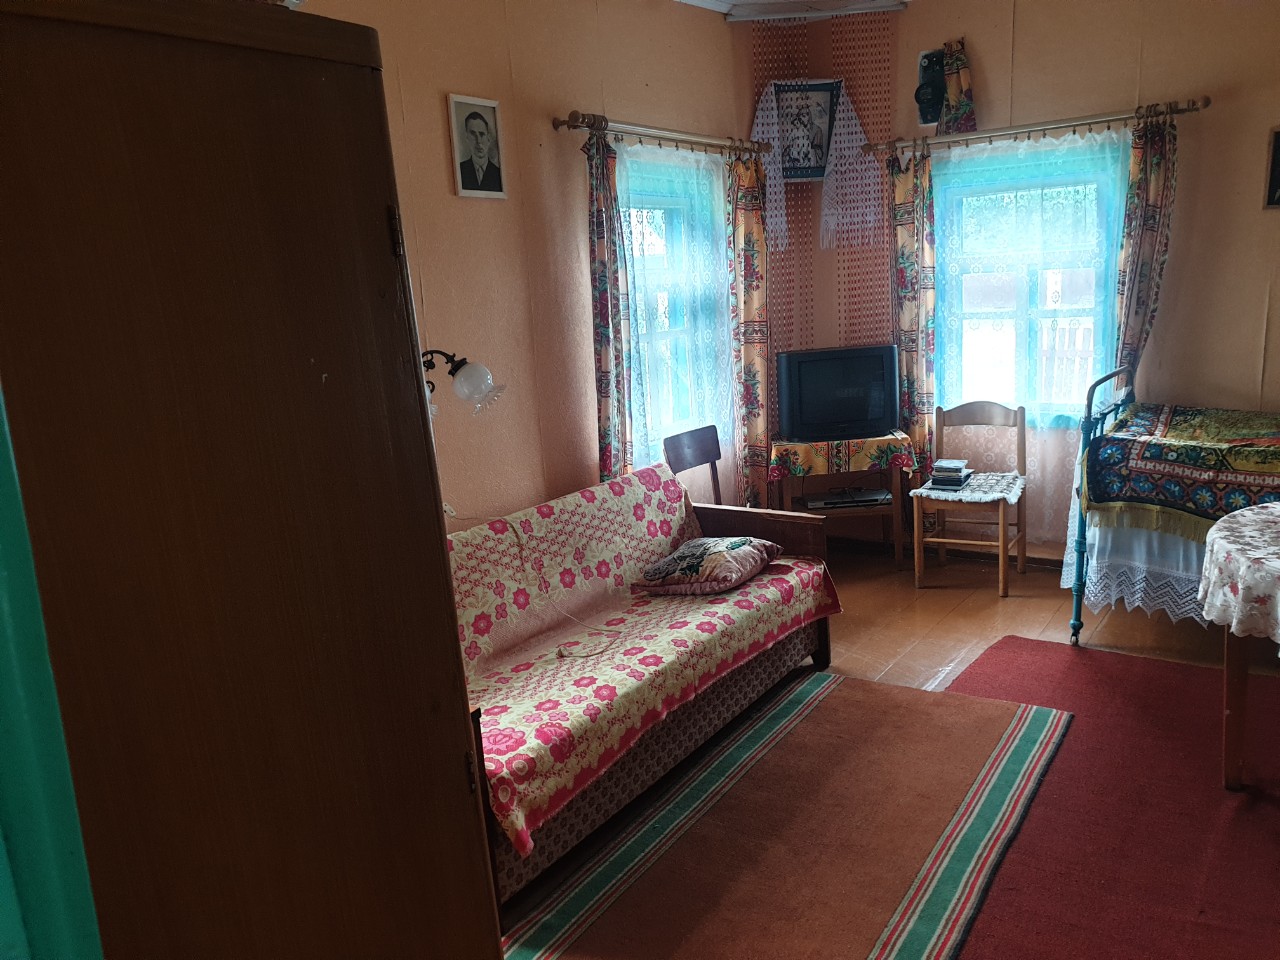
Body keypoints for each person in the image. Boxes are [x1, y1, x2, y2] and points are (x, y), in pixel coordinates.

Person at [458, 111, 502, 192]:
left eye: (482, 134)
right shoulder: (460, 170)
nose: (478, 141)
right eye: (473, 134)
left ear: (488, 138)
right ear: (467, 137)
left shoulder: (499, 174)